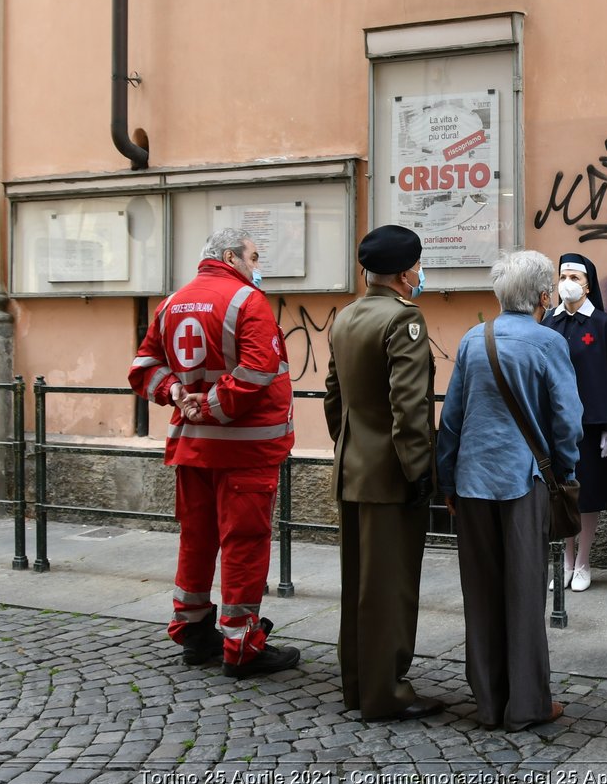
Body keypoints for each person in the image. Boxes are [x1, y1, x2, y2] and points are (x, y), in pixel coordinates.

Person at [129, 228, 301, 678]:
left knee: (197, 539)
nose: (256, 266)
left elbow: (143, 370)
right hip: (245, 450)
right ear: (231, 256)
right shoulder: (247, 302)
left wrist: (177, 396)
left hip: (191, 449)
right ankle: (242, 646)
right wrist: (210, 407)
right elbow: (258, 371)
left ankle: (193, 631)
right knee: (243, 544)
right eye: (254, 257)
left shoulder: (172, 302)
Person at [438, 249, 582, 731]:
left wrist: (447, 479)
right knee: (524, 595)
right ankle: (527, 705)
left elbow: (452, 420)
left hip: (472, 481)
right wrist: (566, 469)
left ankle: (487, 703)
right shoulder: (547, 343)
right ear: (544, 295)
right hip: (524, 481)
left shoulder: (471, 341)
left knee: (479, 594)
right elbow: (567, 420)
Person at [324, 224, 443, 722]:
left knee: (359, 585)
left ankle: (357, 682)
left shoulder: (347, 317)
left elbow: (334, 395)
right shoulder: (404, 321)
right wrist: (421, 471)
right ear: (405, 271)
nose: (418, 273)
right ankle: (386, 691)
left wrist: (348, 446)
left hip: (352, 468)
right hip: (391, 475)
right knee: (390, 589)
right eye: (416, 265)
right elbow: (410, 406)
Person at [542, 252, 607, 592]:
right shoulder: (548, 321)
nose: (567, 284)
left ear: (588, 284)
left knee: (588, 493)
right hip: (555, 423)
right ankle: (564, 559)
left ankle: (583, 560)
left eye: (575, 278)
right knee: (560, 491)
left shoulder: (602, 323)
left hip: (592, 424)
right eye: (563, 276)